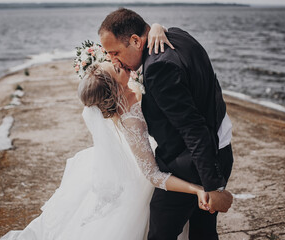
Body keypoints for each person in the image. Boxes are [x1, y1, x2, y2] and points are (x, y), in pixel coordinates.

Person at [0, 25, 210, 240]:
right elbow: (153, 175)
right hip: (150, 169)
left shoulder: (131, 83)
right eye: (116, 69)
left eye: (113, 62)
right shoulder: (130, 120)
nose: (118, 62)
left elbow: (141, 44)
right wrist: (196, 189)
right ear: (116, 89)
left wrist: (156, 27)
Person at [99, 8, 234, 240]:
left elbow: (193, 128)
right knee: (203, 231)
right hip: (220, 149)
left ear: (135, 40)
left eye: (115, 52)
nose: (113, 60)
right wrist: (157, 26)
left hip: (191, 165)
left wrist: (214, 187)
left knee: (161, 234)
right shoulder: (179, 35)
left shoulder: (158, 69)